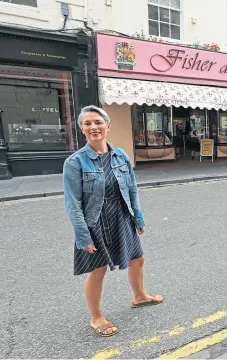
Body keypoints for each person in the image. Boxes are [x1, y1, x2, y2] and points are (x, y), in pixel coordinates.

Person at [63, 106, 163, 338]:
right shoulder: (75, 162)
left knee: (137, 258)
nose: (93, 127)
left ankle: (139, 296)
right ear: (82, 129)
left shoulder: (120, 155)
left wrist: (138, 217)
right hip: (95, 223)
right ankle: (96, 317)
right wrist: (83, 236)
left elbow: (131, 188)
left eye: (97, 122)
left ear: (107, 126)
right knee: (97, 270)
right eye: (87, 123)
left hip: (122, 217)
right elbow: (73, 204)